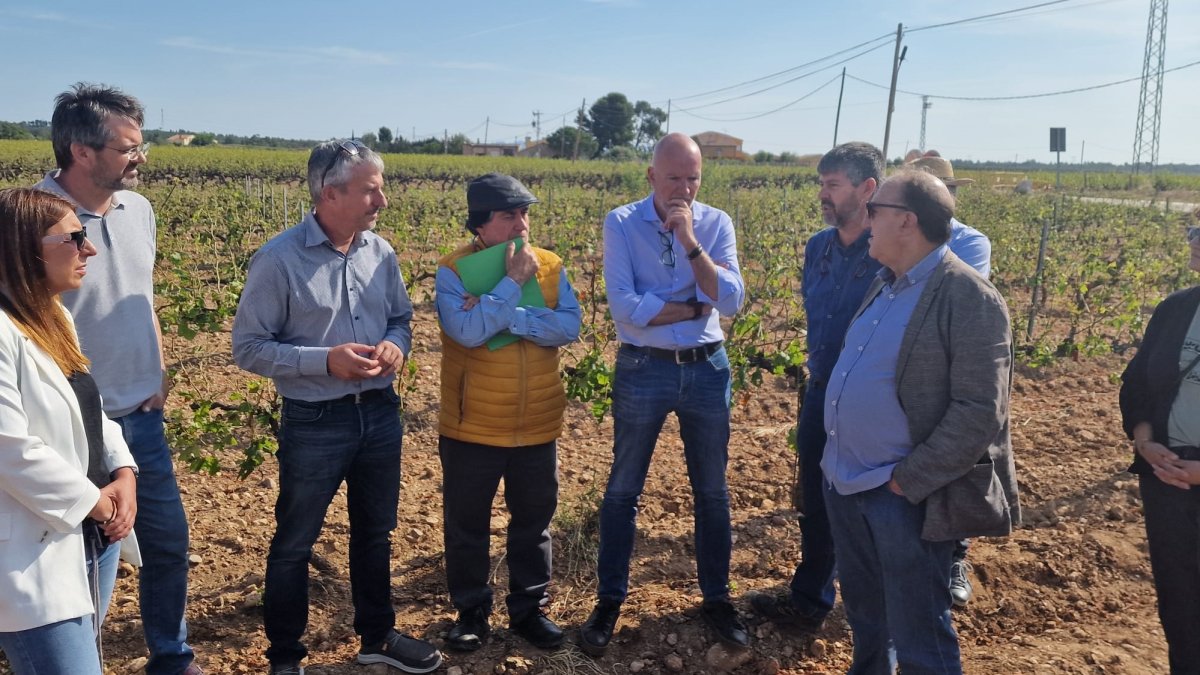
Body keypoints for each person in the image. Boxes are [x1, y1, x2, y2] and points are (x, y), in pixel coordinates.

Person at [753, 143, 993, 632]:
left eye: (831, 184)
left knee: (891, 516)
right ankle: (814, 599)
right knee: (821, 501)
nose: (822, 193)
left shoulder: (921, 260)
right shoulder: (821, 247)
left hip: (887, 400)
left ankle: (915, 598)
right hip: (826, 391)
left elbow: (968, 390)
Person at [232, 140, 441, 675]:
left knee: (376, 531)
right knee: (294, 542)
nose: (383, 201)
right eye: (371, 190)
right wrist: (325, 361)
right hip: (315, 422)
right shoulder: (278, 259)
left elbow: (400, 319)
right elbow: (248, 347)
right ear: (330, 193)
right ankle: (285, 659)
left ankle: (377, 637)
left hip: (379, 413)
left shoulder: (381, 252)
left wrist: (397, 345)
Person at [822, 170, 1018, 673]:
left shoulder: (968, 297)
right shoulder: (884, 284)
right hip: (847, 483)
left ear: (906, 221)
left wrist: (906, 482)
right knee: (868, 618)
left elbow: (980, 413)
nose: (866, 221)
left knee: (919, 633)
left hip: (902, 497)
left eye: (875, 211)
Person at [33, 82, 200, 675]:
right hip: (68, 427)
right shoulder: (33, 221)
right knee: (75, 565)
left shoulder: (139, 210)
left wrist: (156, 373)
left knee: (166, 543)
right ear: (81, 151)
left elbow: (142, 296)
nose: (141, 157)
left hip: (140, 417)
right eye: (128, 147)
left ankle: (171, 655)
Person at [580, 132, 747, 655]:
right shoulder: (622, 223)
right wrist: (698, 306)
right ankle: (610, 601)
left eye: (693, 177)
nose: (684, 188)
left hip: (706, 369)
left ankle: (717, 600)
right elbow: (626, 308)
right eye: (674, 177)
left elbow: (733, 299)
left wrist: (691, 241)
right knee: (623, 490)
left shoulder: (715, 224)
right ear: (651, 176)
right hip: (643, 368)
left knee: (713, 492)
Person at [434, 173, 581, 652]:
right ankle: (472, 612)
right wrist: (513, 283)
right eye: (509, 215)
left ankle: (529, 611)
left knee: (533, 523)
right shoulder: (453, 270)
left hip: (538, 422)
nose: (522, 224)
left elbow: (568, 327)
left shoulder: (551, 266)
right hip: (473, 425)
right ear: (482, 224)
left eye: (525, 213)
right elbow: (468, 331)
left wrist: (507, 312)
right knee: (467, 526)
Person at [0, 188, 138, 674]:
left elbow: (88, 406)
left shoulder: (51, 315)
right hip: (33, 549)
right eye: (74, 238)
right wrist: (96, 502)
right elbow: (9, 449)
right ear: (23, 248)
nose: (90, 249)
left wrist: (124, 472)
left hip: (91, 534)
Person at [1118, 217, 1200, 674]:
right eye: (1195, 231)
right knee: (1180, 602)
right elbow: (1138, 384)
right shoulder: (1175, 309)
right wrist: (1145, 440)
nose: (1196, 242)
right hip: (1168, 479)